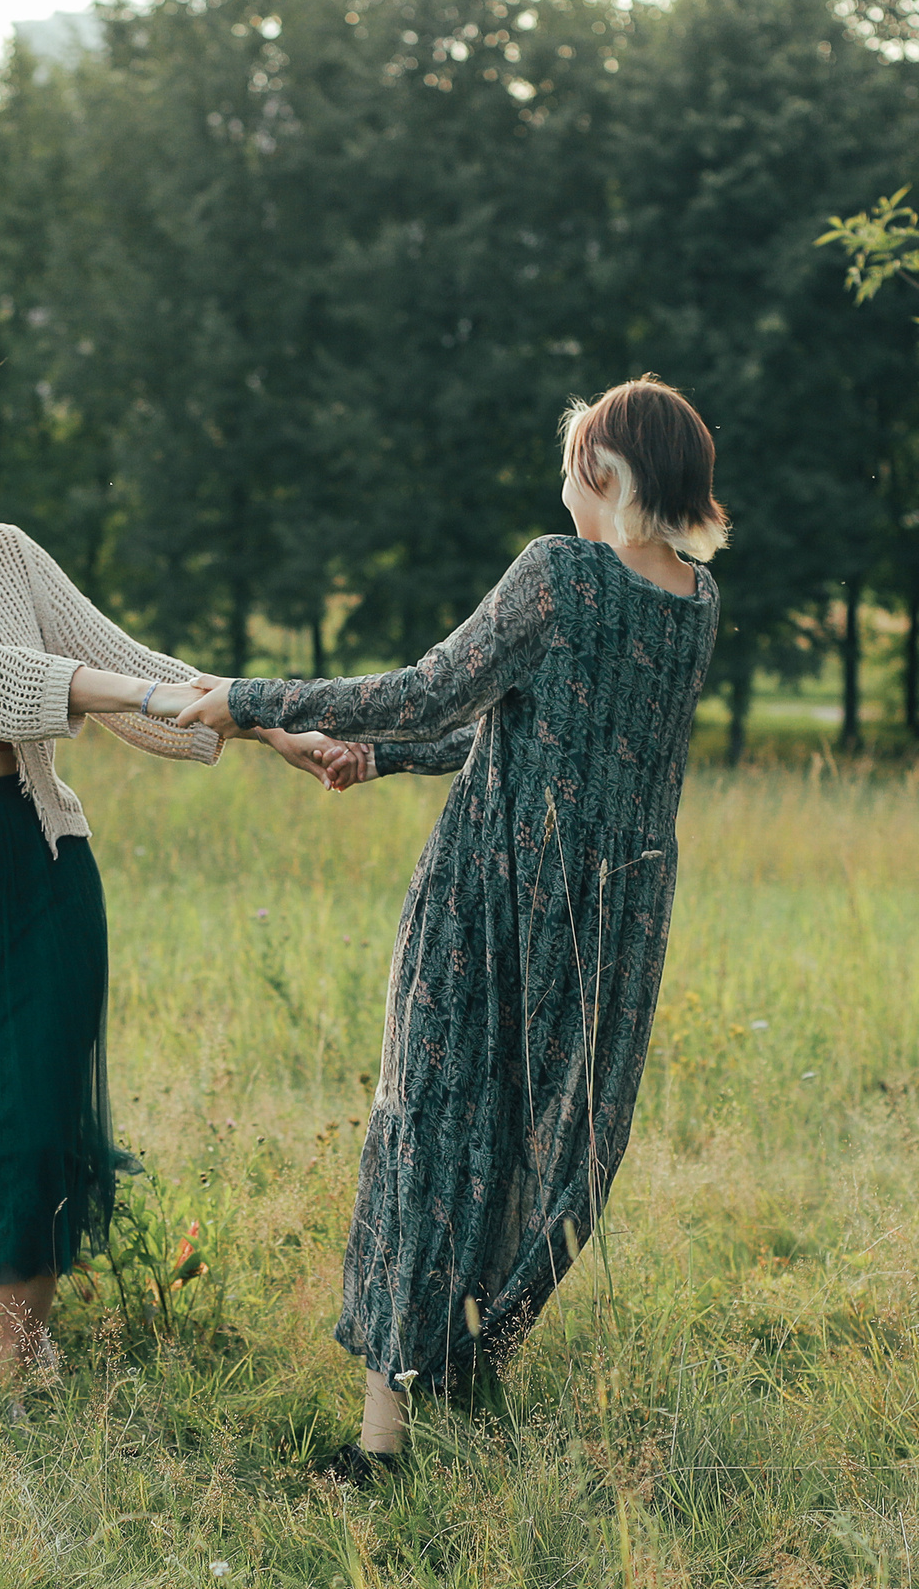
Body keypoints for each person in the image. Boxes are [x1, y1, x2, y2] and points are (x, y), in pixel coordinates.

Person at [177, 376, 726, 1479]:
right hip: (614, 914)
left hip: (490, 895)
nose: (563, 487)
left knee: (428, 1121)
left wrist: (253, 700)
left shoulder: (558, 574)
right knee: (553, 1129)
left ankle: (382, 1440)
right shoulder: (696, 601)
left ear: (603, 473)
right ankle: (480, 1359)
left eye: (573, 465)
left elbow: (431, 689)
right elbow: (536, 733)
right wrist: (374, 758)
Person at [0, 329, 337, 1392]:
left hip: (39, 866)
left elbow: (133, 660)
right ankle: (15, 1317)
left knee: (32, 1116)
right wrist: (120, 693)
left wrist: (278, 724)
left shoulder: (7, 555)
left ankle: (15, 1372)